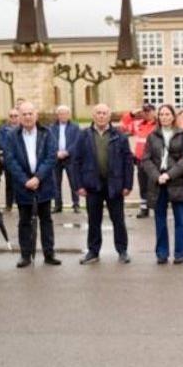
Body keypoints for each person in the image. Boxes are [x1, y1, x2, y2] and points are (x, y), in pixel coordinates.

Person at [1, 101, 61, 268]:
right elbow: (10, 160)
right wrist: (25, 180)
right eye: (24, 114)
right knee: (24, 221)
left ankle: (49, 254)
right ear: (19, 117)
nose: (27, 117)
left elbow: (51, 157)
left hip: (44, 183)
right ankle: (25, 255)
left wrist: (38, 177)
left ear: (36, 115)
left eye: (30, 113)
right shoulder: (12, 136)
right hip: (23, 185)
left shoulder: (47, 133)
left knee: (46, 220)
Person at [72, 103, 133, 265]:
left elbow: (128, 161)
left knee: (118, 220)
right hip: (92, 185)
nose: (101, 116)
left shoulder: (119, 136)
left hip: (115, 185)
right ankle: (93, 251)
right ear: (93, 115)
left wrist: (128, 185)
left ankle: (122, 250)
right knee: (93, 220)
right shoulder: (83, 135)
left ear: (109, 116)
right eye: (98, 113)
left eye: (104, 113)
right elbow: (76, 162)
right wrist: (78, 185)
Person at [141, 104, 183, 264]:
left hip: (177, 181)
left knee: (180, 220)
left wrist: (169, 175)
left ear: (173, 116)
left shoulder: (182, 135)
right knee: (160, 220)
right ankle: (162, 253)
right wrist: (157, 176)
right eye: (161, 114)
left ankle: (180, 253)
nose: (164, 117)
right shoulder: (152, 136)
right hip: (158, 183)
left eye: (167, 114)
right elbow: (146, 159)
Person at [120, 103, 157, 218]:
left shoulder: (158, 125)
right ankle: (144, 208)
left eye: (149, 111)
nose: (146, 113)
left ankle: (156, 207)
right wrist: (131, 114)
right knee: (143, 185)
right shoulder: (138, 124)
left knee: (154, 185)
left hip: (154, 161)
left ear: (154, 112)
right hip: (140, 160)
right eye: (144, 111)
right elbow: (123, 126)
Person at [49, 105, 81, 213]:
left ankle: (76, 204)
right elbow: (50, 142)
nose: (63, 116)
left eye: (65, 114)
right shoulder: (52, 127)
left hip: (70, 158)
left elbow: (77, 142)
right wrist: (56, 152)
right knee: (56, 183)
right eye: (60, 114)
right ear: (57, 115)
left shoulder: (75, 127)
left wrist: (67, 152)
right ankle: (58, 205)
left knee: (73, 182)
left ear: (68, 115)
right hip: (56, 158)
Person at [0, 108, 21, 212]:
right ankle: (8, 205)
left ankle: (22, 204)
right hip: (9, 159)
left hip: (21, 160)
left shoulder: (23, 127)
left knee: (21, 183)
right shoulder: (3, 129)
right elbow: (1, 142)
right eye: (11, 116)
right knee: (9, 183)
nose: (13, 118)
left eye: (16, 116)